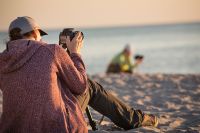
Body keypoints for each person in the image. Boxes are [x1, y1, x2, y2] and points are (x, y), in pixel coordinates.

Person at [0, 16, 158, 133]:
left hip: (14, 127)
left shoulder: (2, 59)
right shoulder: (51, 51)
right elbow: (80, 86)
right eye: (40, 34)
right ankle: (135, 119)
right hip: (57, 127)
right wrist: (75, 53)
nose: (41, 39)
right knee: (89, 86)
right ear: (35, 33)